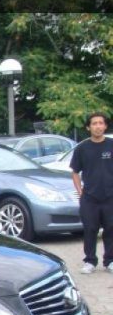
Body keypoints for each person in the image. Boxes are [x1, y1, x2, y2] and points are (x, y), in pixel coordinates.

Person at [70, 112, 113, 274]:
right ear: (89, 127)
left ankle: (110, 261)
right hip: (90, 198)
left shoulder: (111, 145)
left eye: (101, 123)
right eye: (94, 123)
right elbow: (74, 172)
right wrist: (80, 191)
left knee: (111, 229)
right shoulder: (82, 148)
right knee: (90, 229)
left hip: (110, 197)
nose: (98, 126)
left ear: (105, 126)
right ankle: (90, 261)